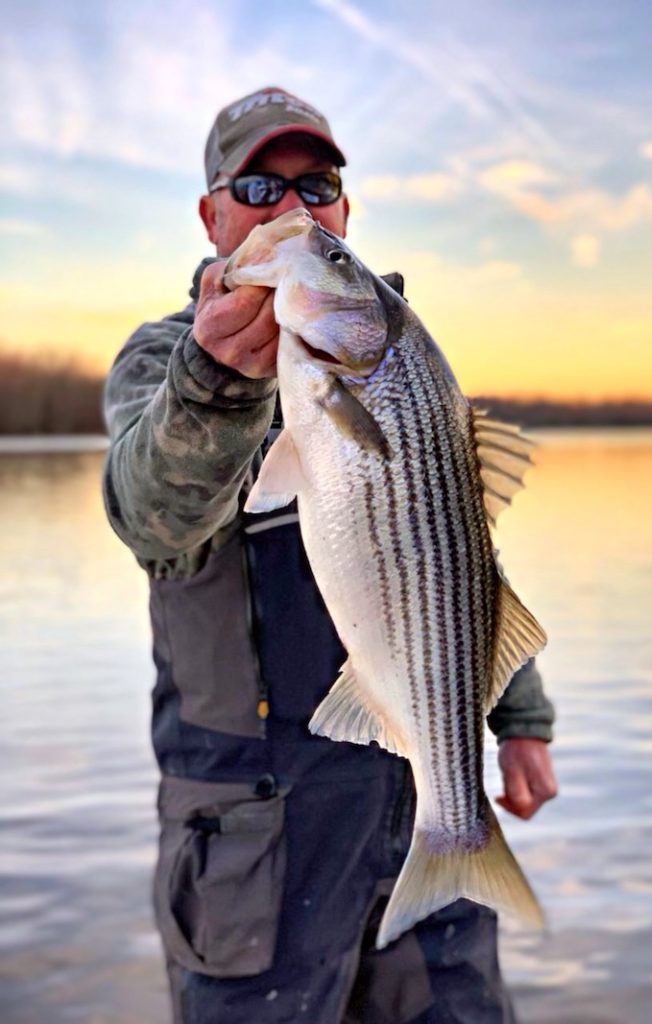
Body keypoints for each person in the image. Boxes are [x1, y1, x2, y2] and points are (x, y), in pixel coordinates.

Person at [103, 86, 558, 1024]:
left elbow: (456, 552)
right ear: (213, 211)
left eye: (319, 186)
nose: (295, 209)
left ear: (346, 208)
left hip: (410, 798)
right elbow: (153, 518)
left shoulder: (403, 362)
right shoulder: (161, 365)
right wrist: (218, 384)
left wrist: (521, 717)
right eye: (263, 186)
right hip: (253, 847)